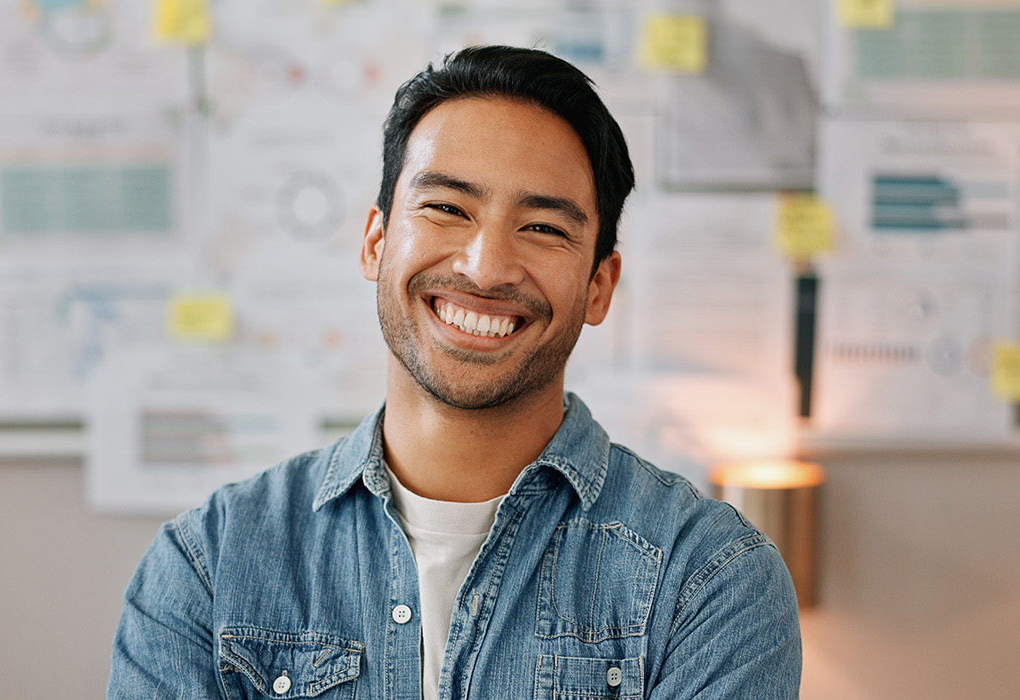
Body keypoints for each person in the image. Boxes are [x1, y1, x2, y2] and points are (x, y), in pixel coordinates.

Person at [108, 45, 801, 700]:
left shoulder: (711, 579)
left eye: (543, 228)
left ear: (599, 285)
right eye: (447, 208)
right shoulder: (207, 567)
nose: (486, 267)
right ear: (377, 242)